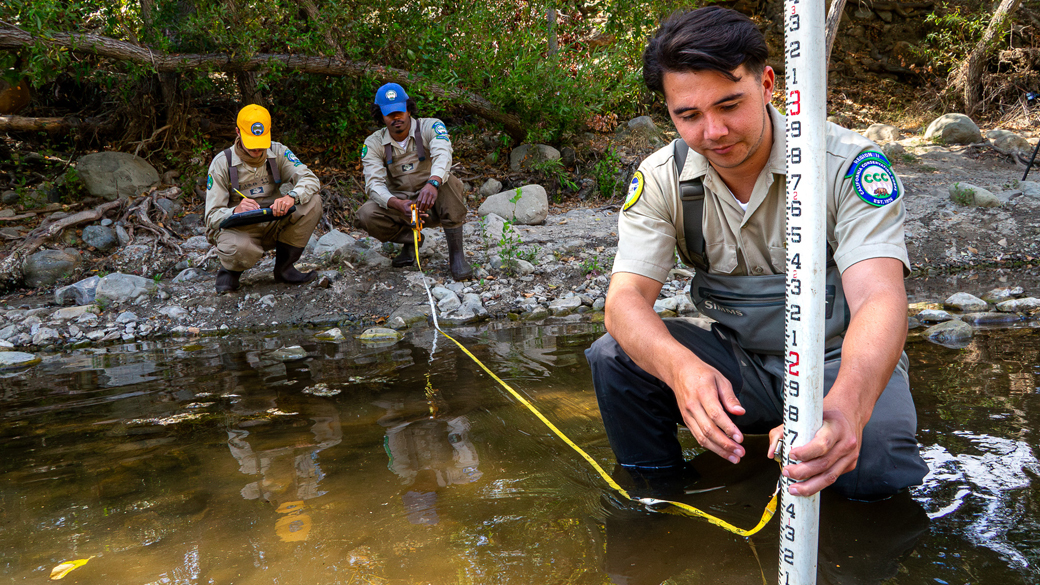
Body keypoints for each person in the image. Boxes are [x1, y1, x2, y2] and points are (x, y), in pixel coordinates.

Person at [585, 7, 928, 501]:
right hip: (739, 365)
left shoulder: (846, 166)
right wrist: (682, 370)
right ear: (668, 110)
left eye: (729, 105)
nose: (714, 132)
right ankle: (657, 500)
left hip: (837, 360)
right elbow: (624, 303)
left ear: (768, 84)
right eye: (689, 115)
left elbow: (879, 297)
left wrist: (846, 407)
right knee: (614, 356)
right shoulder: (661, 178)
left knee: (873, 467)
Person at [356, 83, 474, 280]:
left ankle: (457, 256)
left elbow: (443, 154)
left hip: (433, 200)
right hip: (402, 206)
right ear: (381, 116)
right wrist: (396, 204)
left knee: (450, 182)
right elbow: (373, 184)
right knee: (366, 214)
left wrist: (433, 183)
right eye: (389, 114)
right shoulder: (373, 143)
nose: (396, 118)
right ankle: (412, 240)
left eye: (399, 111)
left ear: (409, 109)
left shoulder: (431, 126)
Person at [204, 104, 322, 292]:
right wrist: (235, 210)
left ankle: (284, 269)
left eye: (260, 143)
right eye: (251, 143)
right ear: (237, 132)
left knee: (313, 202)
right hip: (239, 230)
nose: (257, 149)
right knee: (239, 249)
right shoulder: (221, 163)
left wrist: (291, 197)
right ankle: (230, 272)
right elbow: (211, 218)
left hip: (274, 221)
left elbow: (310, 179)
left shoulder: (279, 152)